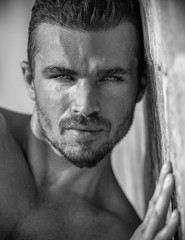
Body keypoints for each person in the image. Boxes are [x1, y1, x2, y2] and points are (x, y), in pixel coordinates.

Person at [0, 0, 179, 239]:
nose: (85, 106)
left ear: (141, 87)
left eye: (110, 78)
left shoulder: (121, 234)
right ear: (31, 80)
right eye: (63, 76)